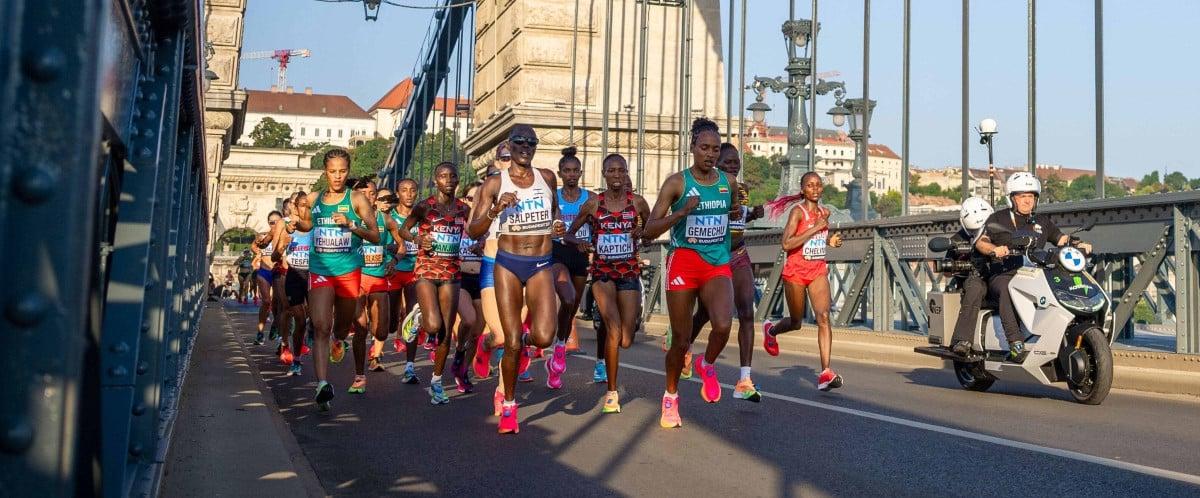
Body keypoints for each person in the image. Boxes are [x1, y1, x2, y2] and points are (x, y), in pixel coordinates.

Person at [642, 117, 740, 429]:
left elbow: (734, 215)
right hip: (683, 261)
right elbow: (648, 230)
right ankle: (670, 396)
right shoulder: (677, 184)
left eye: (715, 149)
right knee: (681, 339)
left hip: (716, 262)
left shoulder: (728, 183)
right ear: (692, 148)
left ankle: (707, 363)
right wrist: (682, 212)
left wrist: (738, 219)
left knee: (723, 325)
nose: (710, 154)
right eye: (704, 148)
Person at [467, 125, 565, 434]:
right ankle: (509, 404)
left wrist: (558, 226)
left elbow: (555, 211)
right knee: (508, 342)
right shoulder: (495, 183)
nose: (526, 146)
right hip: (507, 265)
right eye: (520, 141)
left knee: (545, 336)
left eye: (532, 142)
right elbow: (474, 230)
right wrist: (496, 209)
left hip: (540, 264)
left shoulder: (547, 177)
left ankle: (524, 341)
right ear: (510, 144)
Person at [293, 148, 380, 411]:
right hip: (320, 269)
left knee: (342, 326)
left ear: (348, 171)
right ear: (325, 171)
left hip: (348, 271)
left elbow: (376, 236)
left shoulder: (356, 200)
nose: (338, 176)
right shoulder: (313, 198)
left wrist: (352, 226)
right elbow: (309, 224)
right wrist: (296, 225)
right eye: (332, 171)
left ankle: (339, 340)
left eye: (342, 171)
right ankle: (322, 385)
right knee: (320, 325)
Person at [974, 172, 1092, 359]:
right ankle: (1015, 341)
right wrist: (994, 250)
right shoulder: (998, 218)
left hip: (1035, 273)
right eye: (1022, 196)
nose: (1027, 201)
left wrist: (1078, 244)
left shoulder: (1042, 221)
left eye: (1031, 196)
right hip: (1006, 272)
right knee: (1007, 288)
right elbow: (981, 241)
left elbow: (1061, 239)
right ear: (1012, 198)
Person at [566, 153, 650, 413]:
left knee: (626, 338)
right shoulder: (593, 204)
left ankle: (608, 341)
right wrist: (579, 242)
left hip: (628, 273)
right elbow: (570, 233)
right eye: (611, 171)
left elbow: (650, 232)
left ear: (626, 173)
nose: (616, 175)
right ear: (604, 174)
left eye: (621, 171)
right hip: (602, 274)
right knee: (613, 330)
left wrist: (641, 233)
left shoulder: (637, 203)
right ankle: (612, 393)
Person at [686, 143, 765, 402]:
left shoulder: (740, 189)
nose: (733, 166)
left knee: (746, 314)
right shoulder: (709, 188)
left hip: (739, 255)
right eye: (728, 162)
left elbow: (738, 220)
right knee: (705, 315)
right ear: (717, 164)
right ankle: (685, 348)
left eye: (736, 162)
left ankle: (744, 379)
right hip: (714, 257)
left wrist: (752, 214)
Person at [761, 171, 845, 391]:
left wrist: (829, 240)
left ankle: (825, 372)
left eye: (818, 185)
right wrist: (816, 228)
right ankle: (771, 331)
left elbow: (817, 239)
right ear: (803, 190)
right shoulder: (797, 213)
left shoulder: (825, 213)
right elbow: (787, 244)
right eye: (810, 185)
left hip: (817, 270)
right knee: (796, 321)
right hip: (796, 272)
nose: (815, 188)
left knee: (823, 317)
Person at [398, 162, 473, 405]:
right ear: (435, 180)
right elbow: (403, 229)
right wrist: (418, 238)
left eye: (453, 176)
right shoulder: (424, 207)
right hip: (427, 271)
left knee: (444, 333)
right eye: (443, 176)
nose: (448, 180)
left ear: (458, 180)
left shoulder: (463, 209)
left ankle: (437, 382)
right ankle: (419, 315)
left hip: (452, 274)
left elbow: (475, 230)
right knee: (432, 326)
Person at [349, 181, 407, 394]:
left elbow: (402, 244)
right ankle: (359, 375)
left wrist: (394, 262)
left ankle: (375, 350)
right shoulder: (349, 220)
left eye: (372, 193)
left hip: (378, 279)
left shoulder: (385, 219)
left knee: (381, 331)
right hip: (356, 279)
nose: (368, 196)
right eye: (363, 193)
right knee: (361, 328)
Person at [547, 146, 593, 389]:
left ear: (581, 173)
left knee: (572, 307)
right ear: (560, 173)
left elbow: (599, 228)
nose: (571, 174)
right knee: (568, 296)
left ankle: (560, 345)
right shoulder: (553, 196)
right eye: (567, 170)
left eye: (575, 170)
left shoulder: (591, 198)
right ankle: (554, 336)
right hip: (558, 253)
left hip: (580, 255)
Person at [948, 196, 995, 358]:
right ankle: (962, 340)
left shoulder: (1000, 231)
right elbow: (946, 268)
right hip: (975, 279)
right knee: (975, 288)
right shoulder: (957, 239)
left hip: (1000, 275)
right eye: (975, 230)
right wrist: (957, 263)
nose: (979, 232)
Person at [386, 179, 423, 384]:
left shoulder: (422, 216)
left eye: (412, 190)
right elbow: (383, 242)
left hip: (415, 272)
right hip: (394, 271)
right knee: (391, 323)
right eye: (404, 190)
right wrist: (395, 248)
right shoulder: (389, 217)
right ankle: (393, 329)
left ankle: (410, 366)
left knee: (413, 317)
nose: (409, 194)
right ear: (397, 193)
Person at [273, 192, 313, 376]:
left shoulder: (317, 227)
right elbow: (274, 256)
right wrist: (282, 247)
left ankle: (314, 334)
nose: (305, 209)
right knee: (299, 318)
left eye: (308, 206)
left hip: (314, 275)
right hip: (294, 276)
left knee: (316, 317)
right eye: (301, 205)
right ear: (295, 207)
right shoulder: (287, 228)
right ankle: (295, 359)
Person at [252, 212, 283, 345]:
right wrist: (258, 251)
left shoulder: (284, 235)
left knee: (278, 302)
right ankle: (260, 332)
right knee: (266, 301)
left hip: (278, 271)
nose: (274, 224)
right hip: (264, 271)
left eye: (277, 221)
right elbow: (254, 245)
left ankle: (275, 324)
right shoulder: (263, 235)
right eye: (271, 222)